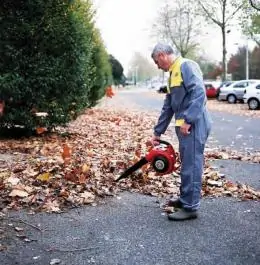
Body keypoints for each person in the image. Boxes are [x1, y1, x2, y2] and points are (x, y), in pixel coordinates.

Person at [150, 43, 212, 221]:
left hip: (194, 124)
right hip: (186, 127)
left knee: (192, 165)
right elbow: (168, 106)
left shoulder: (186, 66)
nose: (157, 65)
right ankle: (186, 199)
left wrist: (188, 120)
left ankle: (191, 207)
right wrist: (157, 132)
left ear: (162, 55)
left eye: (156, 61)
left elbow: (199, 93)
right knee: (187, 164)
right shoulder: (172, 74)